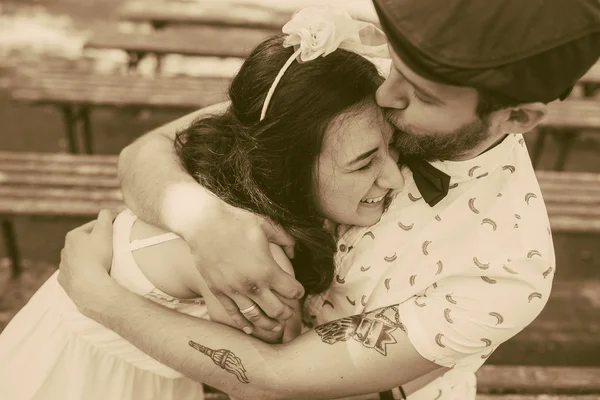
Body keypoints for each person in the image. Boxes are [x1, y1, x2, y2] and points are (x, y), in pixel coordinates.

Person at [58, 1, 600, 400]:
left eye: (424, 96)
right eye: (396, 69)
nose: (387, 95)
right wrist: (205, 224)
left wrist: (98, 299)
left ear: (517, 116)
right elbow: (145, 153)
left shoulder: (507, 269)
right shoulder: (362, 62)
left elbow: (276, 379)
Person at [0, 11, 405, 400]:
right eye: (365, 162)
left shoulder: (237, 156)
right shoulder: (258, 261)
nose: (395, 178)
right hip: (84, 382)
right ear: (287, 168)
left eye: (393, 146)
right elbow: (267, 384)